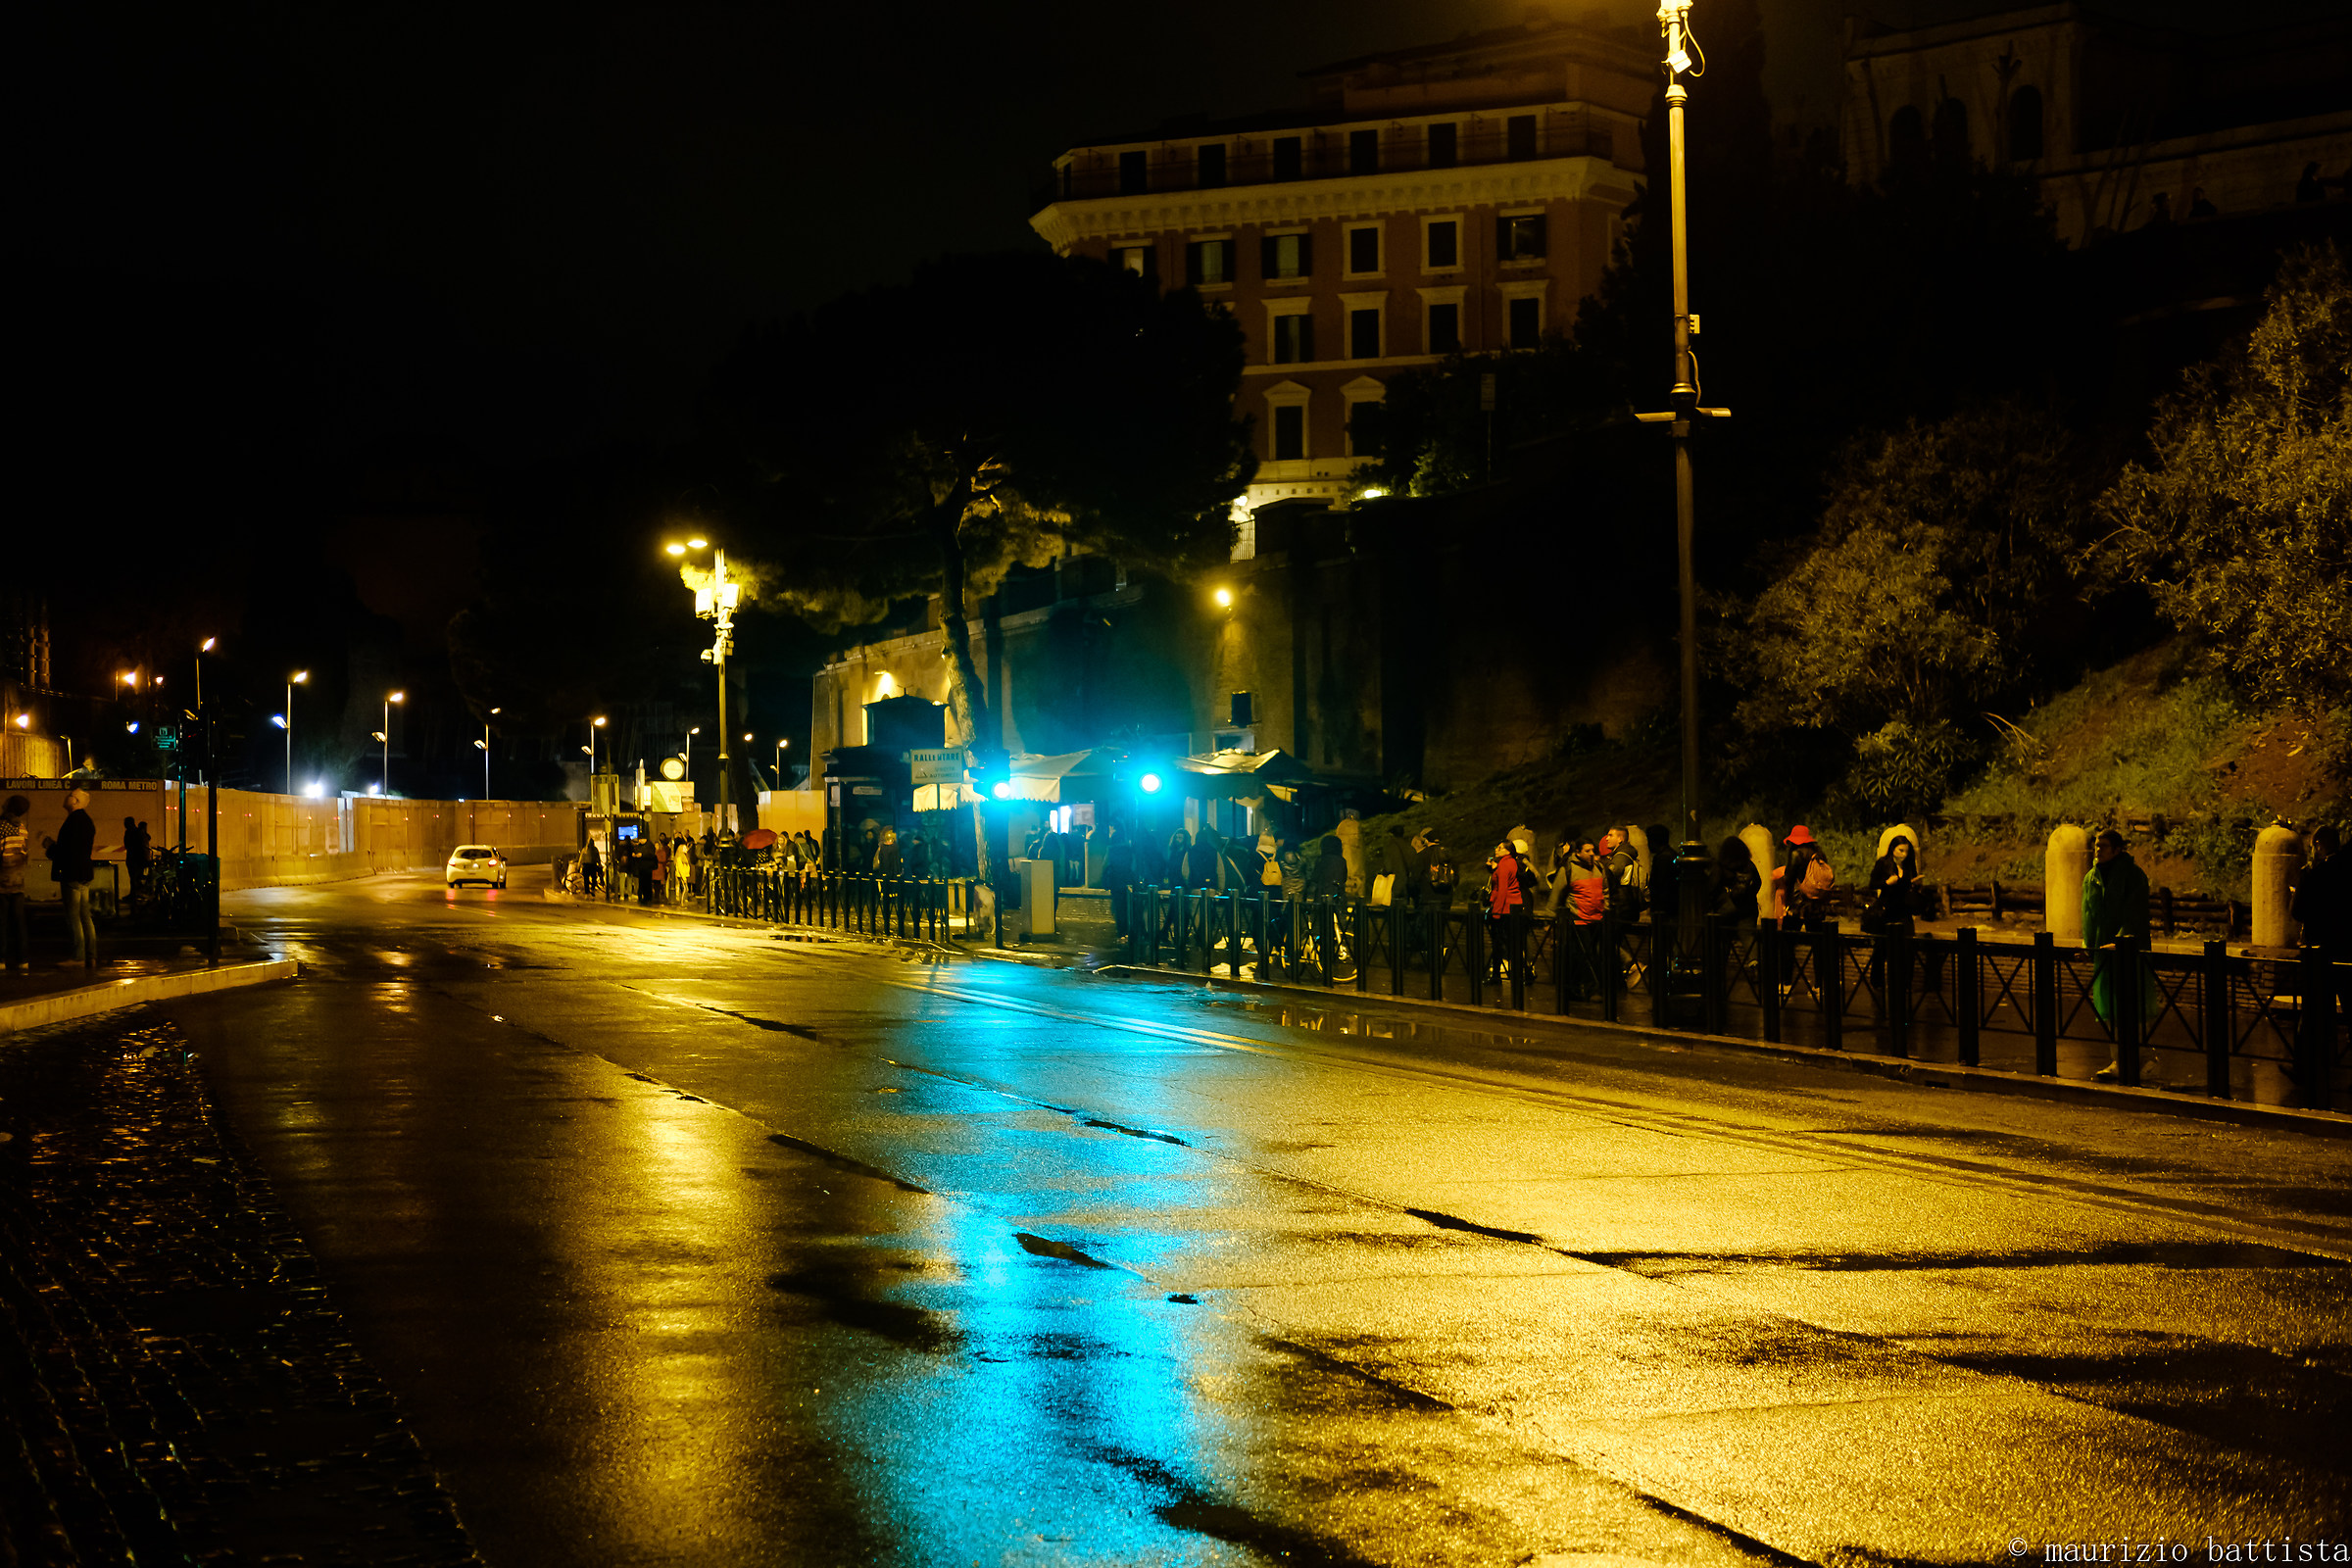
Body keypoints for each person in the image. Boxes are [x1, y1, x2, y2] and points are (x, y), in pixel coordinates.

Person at [2084, 828, 2155, 1083]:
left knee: (2131, 1006)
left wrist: (2123, 940)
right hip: (2103, 953)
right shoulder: (2092, 877)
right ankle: (2118, 1060)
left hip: (2128, 951)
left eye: (2103, 846)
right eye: (2096, 845)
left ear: (2117, 849)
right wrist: (2089, 945)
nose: (2098, 850)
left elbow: (2135, 912)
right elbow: (2088, 914)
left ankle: (2144, 1058)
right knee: (2109, 1008)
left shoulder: (2133, 876)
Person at [2289, 825, 2347, 1098]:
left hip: (2318, 954)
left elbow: (2298, 912)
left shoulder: (2314, 874)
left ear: (2319, 845)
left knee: (2313, 1012)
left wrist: (2299, 887)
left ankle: (2306, 1069)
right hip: (2346, 952)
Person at [42, 788, 103, 969]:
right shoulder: (86, 821)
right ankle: (91, 956)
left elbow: (66, 851)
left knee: (73, 916)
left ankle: (78, 957)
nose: (66, 797)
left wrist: (50, 847)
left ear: (75, 801)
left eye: (70, 795)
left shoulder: (72, 822)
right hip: (84, 873)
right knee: (86, 916)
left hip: (72, 873)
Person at [1774, 825, 1834, 990]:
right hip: (1817, 905)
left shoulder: (1796, 854)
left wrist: (1787, 901)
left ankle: (1786, 983)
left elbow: (1789, 880)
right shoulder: (1819, 854)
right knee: (1818, 945)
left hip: (1798, 905)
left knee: (1787, 943)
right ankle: (1819, 985)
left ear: (1793, 841)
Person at [1864, 835, 1922, 992]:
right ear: (1893, 849)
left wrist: (1915, 884)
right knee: (1881, 948)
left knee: (1907, 947)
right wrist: (1886, 883)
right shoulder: (1883, 863)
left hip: (1904, 909)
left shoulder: (1909, 865)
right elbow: (1872, 883)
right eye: (1901, 850)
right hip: (1887, 910)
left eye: (1906, 851)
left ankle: (1905, 984)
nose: (1904, 854)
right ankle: (1878, 982)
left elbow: (1909, 885)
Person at [1564, 840, 1608, 1001]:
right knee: (1586, 954)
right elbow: (1558, 892)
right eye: (1587, 851)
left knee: (1589, 955)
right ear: (1577, 852)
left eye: (1593, 850)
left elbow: (1606, 889)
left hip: (1597, 918)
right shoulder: (1569, 869)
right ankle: (1591, 989)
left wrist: (1606, 908)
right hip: (1579, 918)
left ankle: (1575, 989)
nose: (1591, 854)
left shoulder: (1599, 868)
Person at [1486, 839, 1527, 983]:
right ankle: (1525, 973)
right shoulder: (1511, 862)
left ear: (1508, 851)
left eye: (1500, 848)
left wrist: (1496, 912)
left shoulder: (1504, 865)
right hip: (1514, 905)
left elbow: (1502, 889)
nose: (1496, 849)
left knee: (1499, 943)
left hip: (1504, 908)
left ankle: (1497, 975)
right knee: (1511, 943)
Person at [1, 795, 30, 975]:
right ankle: (23, 960)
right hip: (18, 881)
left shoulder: (1, 827)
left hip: (2, 881)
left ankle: (1, 960)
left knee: (1, 922)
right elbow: (24, 854)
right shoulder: (22, 828)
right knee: (20, 922)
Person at [1715, 835, 1762, 927]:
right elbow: (1758, 883)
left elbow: (1714, 888)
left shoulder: (1721, 867)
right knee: (1748, 937)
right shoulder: (1748, 865)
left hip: (1729, 910)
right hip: (1748, 910)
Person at [123, 816, 154, 903]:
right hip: (136, 859)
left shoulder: (133, 832)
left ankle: (135, 894)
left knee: (134, 878)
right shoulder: (137, 832)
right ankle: (135, 894)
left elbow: (130, 845)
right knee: (135, 878)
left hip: (135, 859)